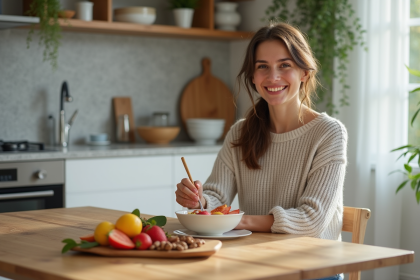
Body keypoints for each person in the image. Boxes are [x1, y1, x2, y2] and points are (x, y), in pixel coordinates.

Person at [176, 22, 347, 280]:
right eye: (262, 67)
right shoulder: (240, 132)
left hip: (314, 269)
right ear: (253, 77)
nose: (273, 77)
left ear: (304, 73)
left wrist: (236, 220)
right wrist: (200, 201)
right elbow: (215, 196)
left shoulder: (328, 133)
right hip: (255, 262)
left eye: (285, 65)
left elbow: (311, 221)